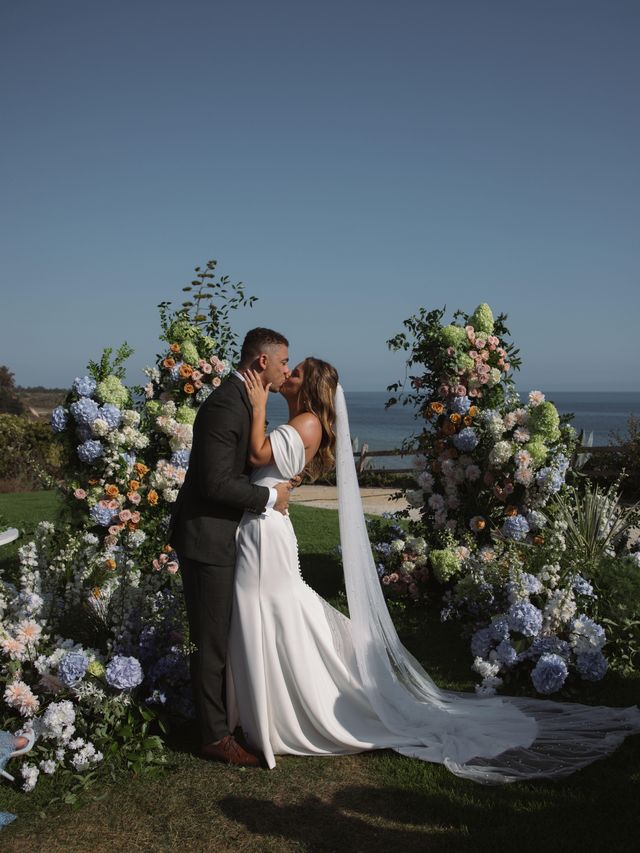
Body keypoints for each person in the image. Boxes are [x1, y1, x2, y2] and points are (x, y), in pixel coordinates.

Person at [226, 358, 640, 782]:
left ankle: (292, 707)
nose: (286, 376)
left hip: (268, 533)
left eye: (295, 372)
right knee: (279, 612)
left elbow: (259, 452)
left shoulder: (308, 422)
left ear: (310, 386)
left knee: (280, 610)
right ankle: (278, 704)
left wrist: (257, 404)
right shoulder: (300, 421)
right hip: (264, 529)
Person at [169, 327, 296, 767]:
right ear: (262, 362)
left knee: (220, 637)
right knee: (212, 641)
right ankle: (213, 737)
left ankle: (222, 721)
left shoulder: (245, 400)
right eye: (283, 362)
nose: (287, 370)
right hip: (207, 539)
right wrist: (269, 498)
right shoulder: (227, 404)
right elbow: (216, 483)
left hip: (222, 538)